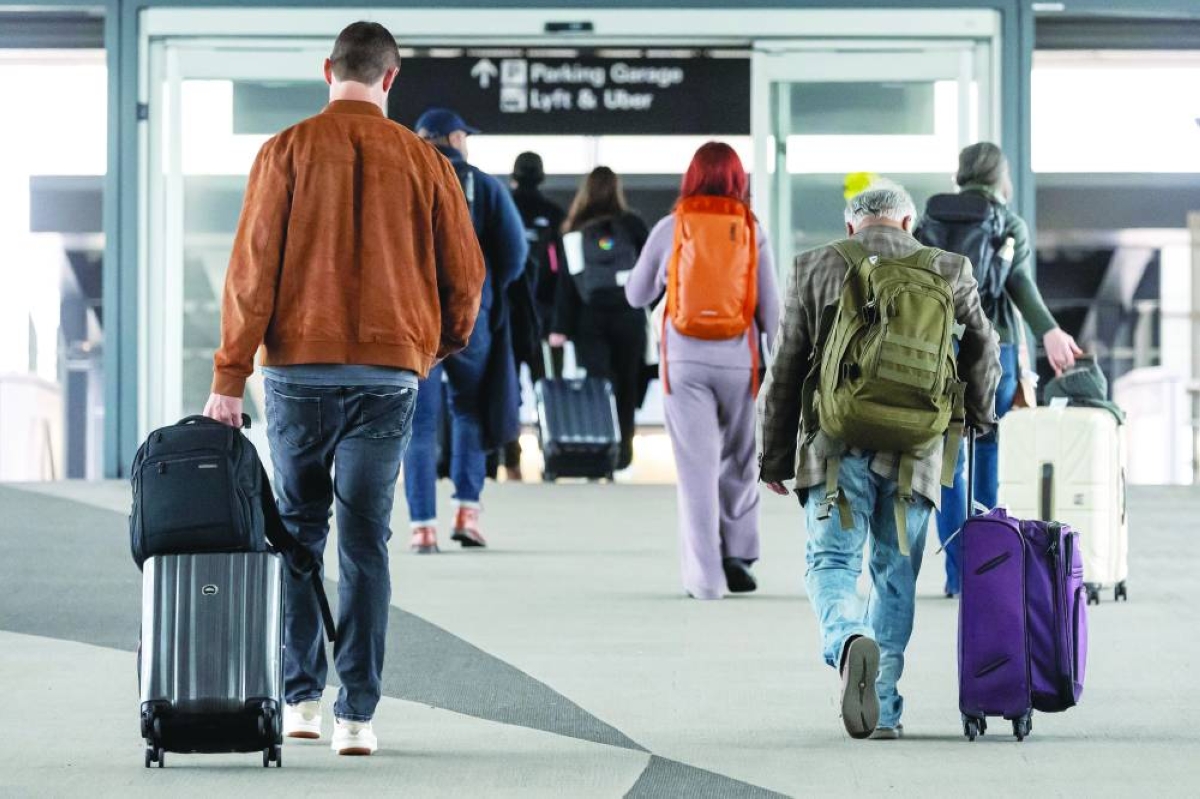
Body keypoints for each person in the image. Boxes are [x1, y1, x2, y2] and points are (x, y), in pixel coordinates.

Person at [203, 22, 485, 756]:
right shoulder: (427, 163)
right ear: (391, 80)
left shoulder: (284, 150)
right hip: (389, 376)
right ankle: (356, 714)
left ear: (327, 69)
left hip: (296, 371)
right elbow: (467, 278)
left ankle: (298, 698)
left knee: (297, 532)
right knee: (366, 542)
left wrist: (229, 375)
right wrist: (429, 349)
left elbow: (251, 271)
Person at [760, 185, 1000, 740]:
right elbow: (984, 347)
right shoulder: (950, 267)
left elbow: (786, 368)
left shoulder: (814, 266)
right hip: (915, 450)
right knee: (896, 575)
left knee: (832, 566)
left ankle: (847, 640)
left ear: (851, 228)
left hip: (833, 448)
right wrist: (979, 421)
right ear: (909, 222)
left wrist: (773, 456)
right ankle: (885, 708)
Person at [916, 142, 1083, 597]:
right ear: (998, 176)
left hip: (938, 350)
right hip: (997, 349)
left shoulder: (929, 220)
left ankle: (957, 575)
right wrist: (1049, 330)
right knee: (988, 449)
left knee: (948, 462)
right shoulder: (1007, 223)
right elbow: (1019, 283)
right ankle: (987, 573)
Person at [625, 142, 779, 599]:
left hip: (685, 362)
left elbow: (636, 294)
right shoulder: (752, 230)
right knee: (740, 461)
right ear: (738, 180)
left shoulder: (672, 227)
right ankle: (740, 553)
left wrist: (664, 283)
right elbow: (771, 314)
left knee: (697, 471)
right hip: (741, 363)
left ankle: (706, 580)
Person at [403, 108, 528, 553]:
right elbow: (515, 254)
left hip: (416, 321)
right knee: (470, 411)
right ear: (455, 137)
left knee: (417, 426)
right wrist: (487, 287)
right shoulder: (486, 186)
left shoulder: (402, 181)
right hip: (472, 316)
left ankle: (422, 528)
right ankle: (467, 514)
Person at [549, 167, 649, 470]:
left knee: (599, 385)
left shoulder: (574, 228)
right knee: (628, 383)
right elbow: (650, 272)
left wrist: (559, 328)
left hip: (589, 319)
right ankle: (625, 454)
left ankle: (601, 449)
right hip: (629, 315)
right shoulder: (633, 225)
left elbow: (566, 284)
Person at [501, 152, 567, 480]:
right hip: (545, 318)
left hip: (508, 317)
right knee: (548, 389)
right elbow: (563, 272)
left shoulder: (502, 207)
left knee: (508, 389)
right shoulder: (554, 214)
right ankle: (553, 458)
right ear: (542, 177)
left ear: (514, 177)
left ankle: (510, 460)